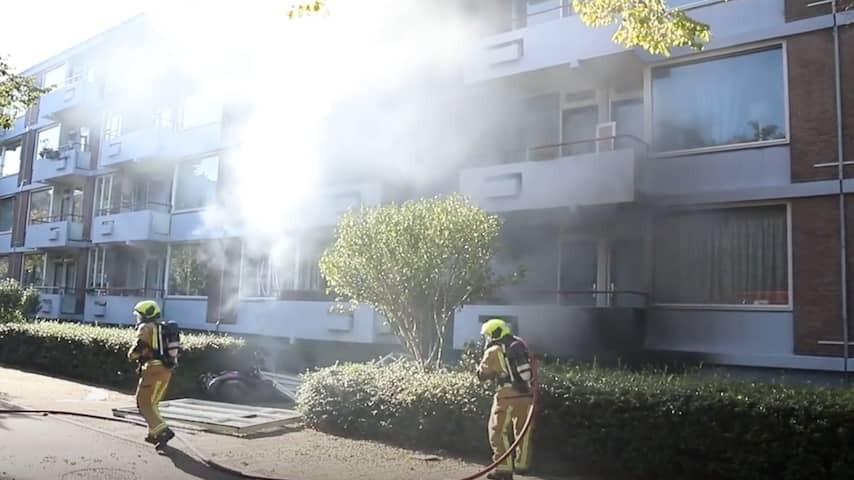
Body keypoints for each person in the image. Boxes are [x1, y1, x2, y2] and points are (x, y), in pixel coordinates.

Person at [476, 318, 535, 480]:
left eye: (488, 335)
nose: (487, 338)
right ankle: (522, 466)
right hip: (526, 395)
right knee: (523, 430)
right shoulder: (520, 347)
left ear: (494, 333)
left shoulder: (494, 350)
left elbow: (482, 374)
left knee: (497, 431)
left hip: (506, 396)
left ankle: (503, 469)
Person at [127, 299, 175, 447]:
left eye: (139, 315)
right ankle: (154, 434)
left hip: (152, 370)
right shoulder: (161, 329)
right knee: (153, 403)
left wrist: (131, 355)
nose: (138, 318)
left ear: (146, 315)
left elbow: (138, 348)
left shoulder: (146, 328)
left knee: (143, 403)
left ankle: (163, 431)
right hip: (166, 370)